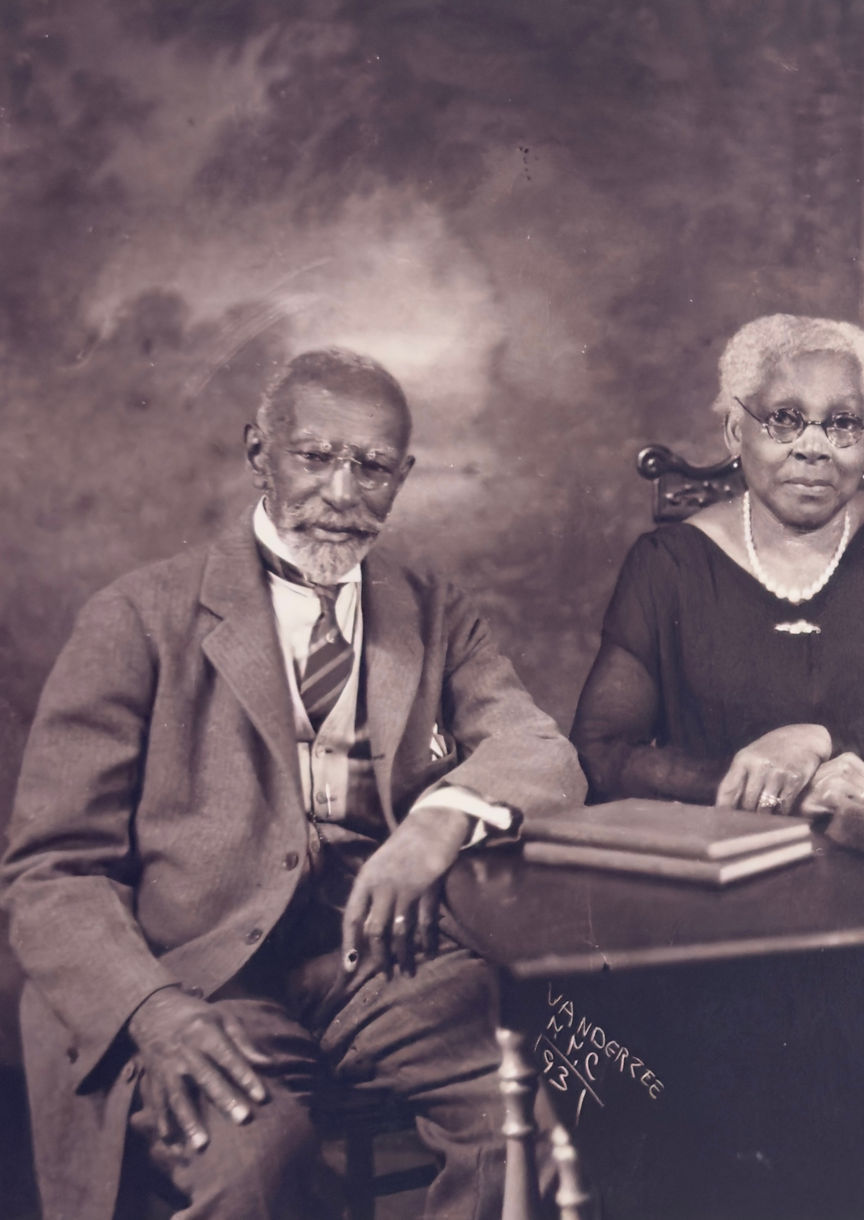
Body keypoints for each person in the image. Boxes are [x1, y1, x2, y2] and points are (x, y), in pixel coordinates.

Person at [2, 349, 587, 1220]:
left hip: (381, 960)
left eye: (373, 466)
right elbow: (49, 874)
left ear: (403, 477)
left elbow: (540, 749)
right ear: (258, 456)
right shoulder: (135, 618)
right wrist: (154, 1012)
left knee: (529, 1139)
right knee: (253, 1167)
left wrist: (437, 825)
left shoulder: (434, 609)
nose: (343, 492)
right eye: (315, 457)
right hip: (198, 973)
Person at [572, 314, 864, 816]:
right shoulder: (668, 564)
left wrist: (817, 741)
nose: (814, 448)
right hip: (718, 856)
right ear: (735, 432)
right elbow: (601, 752)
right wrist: (773, 786)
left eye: (843, 422)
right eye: (784, 419)